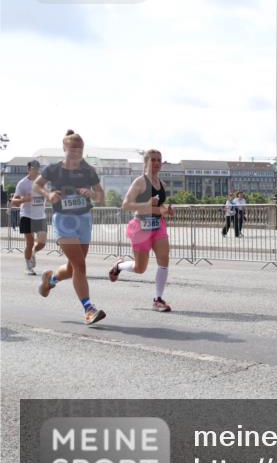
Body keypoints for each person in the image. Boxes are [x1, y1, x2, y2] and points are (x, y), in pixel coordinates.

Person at [33, 130, 107, 325]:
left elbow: (101, 196)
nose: (76, 152)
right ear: (64, 148)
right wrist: (48, 195)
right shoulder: (53, 169)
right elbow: (37, 185)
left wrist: (91, 193)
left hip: (83, 219)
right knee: (80, 266)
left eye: (80, 149)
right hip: (64, 221)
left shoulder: (88, 170)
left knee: (73, 268)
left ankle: (50, 281)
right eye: (73, 148)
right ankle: (88, 309)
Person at [108, 149, 175, 312]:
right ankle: (120, 266)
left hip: (158, 225)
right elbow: (126, 205)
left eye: (159, 160)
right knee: (140, 268)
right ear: (146, 163)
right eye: (153, 160)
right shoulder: (140, 182)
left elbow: (157, 207)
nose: (157, 163)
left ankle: (158, 299)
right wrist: (146, 204)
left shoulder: (162, 184)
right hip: (141, 227)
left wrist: (166, 210)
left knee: (164, 259)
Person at [10, 159, 48, 275]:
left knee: (41, 243)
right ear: (29, 170)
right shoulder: (23, 183)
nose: (36, 171)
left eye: (37, 168)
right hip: (27, 215)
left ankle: (33, 253)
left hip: (40, 216)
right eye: (33, 169)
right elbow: (13, 201)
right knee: (30, 242)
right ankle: (28, 267)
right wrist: (24, 199)